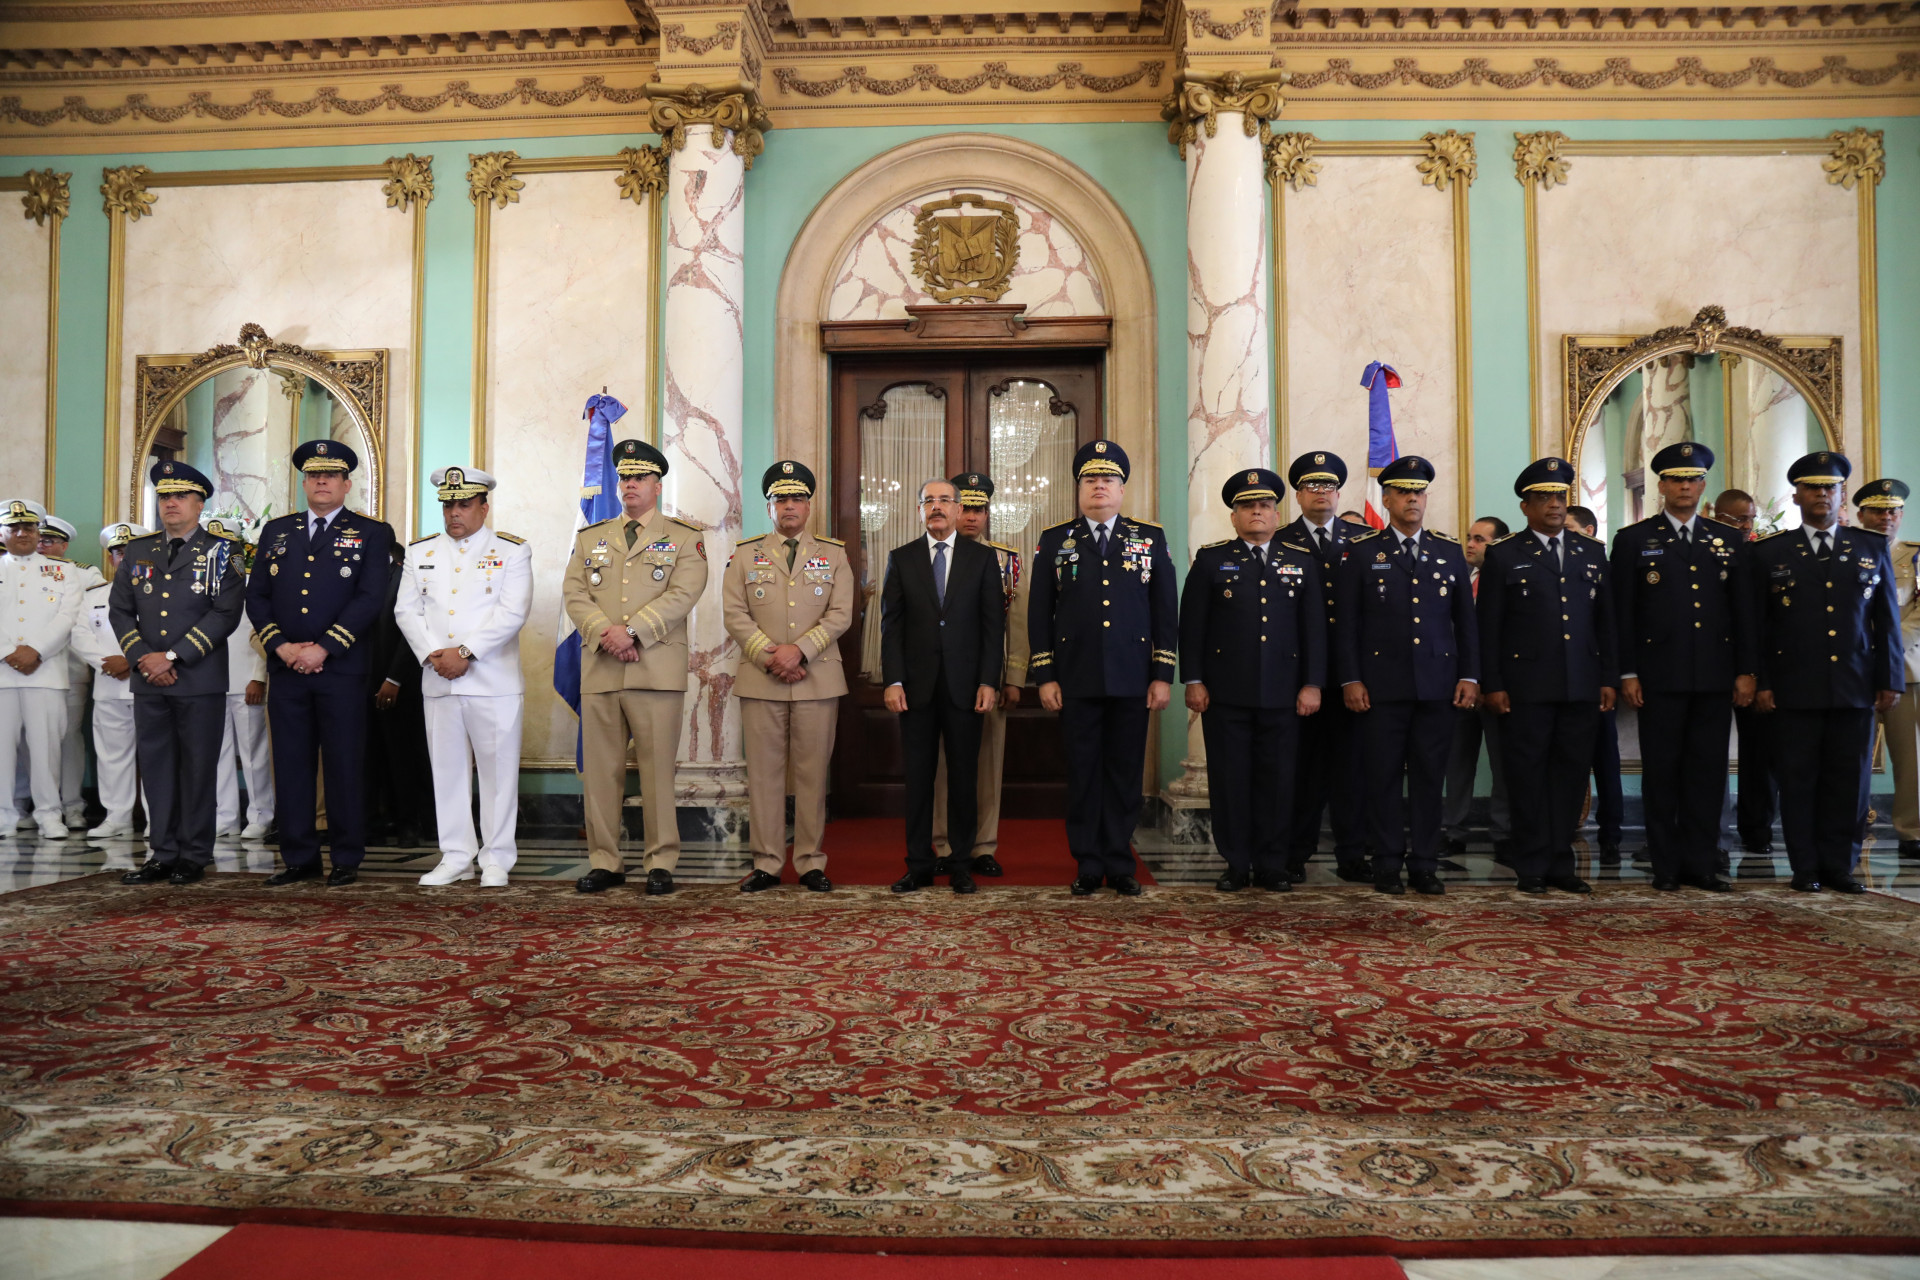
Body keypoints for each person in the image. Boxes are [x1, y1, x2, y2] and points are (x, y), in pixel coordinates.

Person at [245, 439, 397, 887]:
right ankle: (298, 858)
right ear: (304, 483)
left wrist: (324, 647)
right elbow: (257, 597)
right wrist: (281, 647)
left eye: (331, 475)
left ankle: (346, 857)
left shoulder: (371, 532)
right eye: (314, 475)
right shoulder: (277, 531)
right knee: (291, 764)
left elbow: (370, 598)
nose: (322, 482)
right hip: (287, 669)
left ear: (347, 484)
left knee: (344, 763)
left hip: (342, 669)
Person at [1028, 440, 1176, 897]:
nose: (1099, 486)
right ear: (1079, 488)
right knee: (1084, 773)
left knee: (1125, 773)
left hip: (1133, 677)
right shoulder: (1056, 540)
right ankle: (1088, 863)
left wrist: (1162, 674)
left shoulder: (1149, 537)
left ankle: (1119, 861)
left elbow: (1165, 610)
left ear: (1122, 489)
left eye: (1108, 479)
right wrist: (1045, 674)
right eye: (1090, 478)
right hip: (1076, 677)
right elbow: (1039, 612)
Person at [1750, 453, 1903, 893]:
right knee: (1798, 780)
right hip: (1794, 687)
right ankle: (1805, 867)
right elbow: (1759, 626)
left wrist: (1889, 678)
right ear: (1796, 496)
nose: (1822, 494)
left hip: (1855, 684)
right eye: (1813, 487)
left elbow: (1886, 621)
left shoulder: (1870, 547)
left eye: (1830, 488)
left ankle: (1840, 866)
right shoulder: (1770, 551)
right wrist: (1763, 682)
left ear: (1841, 495)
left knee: (1850, 781)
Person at [563, 438, 707, 895]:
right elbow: (574, 593)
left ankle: (660, 861)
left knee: (657, 773)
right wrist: (606, 633)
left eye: (640, 477)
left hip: (655, 671)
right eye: (625, 477)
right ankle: (605, 861)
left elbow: (683, 594)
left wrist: (632, 632)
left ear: (657, 485)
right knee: (600, 773)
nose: (630, 484)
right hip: (602, 668)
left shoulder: (684, 538)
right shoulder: (591, 537)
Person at [1609, 443, 1754, 893]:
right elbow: (1622, 614)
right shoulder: (1634, 540)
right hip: (1659, 677)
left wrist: (1746, 670)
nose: (1684, 486)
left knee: (1708, 774)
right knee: (1662, 773)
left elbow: (1744, 613)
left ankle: (1703, 863)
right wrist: (1627, 672)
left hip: (1714, 676)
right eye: (1676, 479)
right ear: (1662, 486)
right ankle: (1666, 865)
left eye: (1692, 479)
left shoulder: (1728, 539)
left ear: (1703, 485)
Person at [1334, 456, 1478, 895]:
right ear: (1387, 499)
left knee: (1430, 778)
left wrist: (1470, 676)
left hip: (1438, 686)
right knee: (1381, 778)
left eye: (1418, 492)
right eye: (1403, 492)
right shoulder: (1362, 552)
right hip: (1380, 688)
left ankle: (1425, 864)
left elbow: (1466, 622)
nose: (1412, 499)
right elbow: (1347, 624)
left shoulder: (1448, 551)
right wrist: (1350, 679)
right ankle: (1386, 862)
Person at [1179, 468, 1325, 892]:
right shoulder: (1211, 560)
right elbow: (1192, 627)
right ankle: (1237, 863)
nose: (1256, 512)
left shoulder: (1301, 560)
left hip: (1285, 693)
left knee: (1278, 782)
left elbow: (1314, 629)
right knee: (1230, 781)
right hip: (1226, 693)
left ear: (1277, 514)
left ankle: (1272, 864)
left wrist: (1313, 683)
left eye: (1264, 505)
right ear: (1234, 517)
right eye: (1247, 506)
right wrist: (1193, 680)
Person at [1479, 457, 1618, 895]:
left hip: (1580, 684)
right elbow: (1489, 627)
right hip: (1526, 688)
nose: (1555, 504)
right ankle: (1532, 865)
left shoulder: (1591, 552)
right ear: (1526, 507)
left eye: (1559, 496)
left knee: (1571, 776)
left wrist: (1608, 678)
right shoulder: (1504, 554)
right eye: (1544, 497)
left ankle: (1561, 862)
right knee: (1528, 777)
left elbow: (1606, 623)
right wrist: (1493, 683)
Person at [397, 466, 534, 889]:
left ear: (483, 507)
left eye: (464, 504)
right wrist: (433, 655)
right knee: (448, 774)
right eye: (448, 505)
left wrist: (465, 652)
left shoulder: (511, 550)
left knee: (498, 775)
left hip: (493, 682)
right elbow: (406, 611)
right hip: (439, 679)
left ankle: (496, 858)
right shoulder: (420, 552)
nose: (454, 512)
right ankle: (456, 855)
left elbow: (512, 612)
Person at [112, 461, 246, 885]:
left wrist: (171, 657)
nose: (171, 503)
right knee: (156, 768)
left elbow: (225, 613)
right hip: (149, 681)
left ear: (199, 503)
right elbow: (120, 611)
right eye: (165, 496)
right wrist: (143, 658)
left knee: (198, 768)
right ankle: (163, 853)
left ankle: (193, 854)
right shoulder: (138, 550)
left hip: (198, 678)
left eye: (181, 496)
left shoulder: (223, 552)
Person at [724, 461, 854, 893]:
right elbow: (734, 614)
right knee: (763, 776)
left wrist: (800, 651)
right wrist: (772, 655)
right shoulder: (745, 554)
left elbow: (841, 613)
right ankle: (767, 862)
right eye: (781, 499)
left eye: (797, 498)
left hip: (817, 679)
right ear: (770, 506)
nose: (789, 506)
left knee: (813, 775)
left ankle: (810, 861)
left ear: (809, 505)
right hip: (762, 679)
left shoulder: (834, 554)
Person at [881, 477, 1005, 895]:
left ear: (958, 509)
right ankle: (918, 864)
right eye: (929, 500)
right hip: (915, 689)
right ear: (919, 510)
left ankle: (960, 863)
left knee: (964, 779)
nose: (937, 506)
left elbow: (993, 626)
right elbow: (891, 627)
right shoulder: (901, 558)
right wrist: (893, 680)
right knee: (918, 780)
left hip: (966, 688)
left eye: (944, 500)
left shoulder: (982, 559)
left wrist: (989, 680)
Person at [933, 471, 1029, 878]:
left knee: (988, 764)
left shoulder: (1006, 561)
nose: (972, 517)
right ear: (954, 510)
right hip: (943, 678)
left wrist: (1014, 678)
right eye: (967, 508)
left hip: (990, 678)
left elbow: (1017, 625)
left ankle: (983, 846)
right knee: (943, 764)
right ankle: (943, 843)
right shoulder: (933, 554)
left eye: (980, 509)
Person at [1282, 452, 1372, 883]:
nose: (1322, 493)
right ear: (1299, 495)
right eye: (1312, 486)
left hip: (1354, 674)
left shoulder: (1364, 539)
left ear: (1339, 493)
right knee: (1304, 771)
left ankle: (1352, 855)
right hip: (1300, 677)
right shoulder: (1281, 540)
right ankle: (1295, 854)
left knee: (1353, 771)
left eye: (1329, 486)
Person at [0, 499, 84, 840]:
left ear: (38, 532)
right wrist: (8, 652)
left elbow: (68, 616)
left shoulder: (64, 571)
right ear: (2, 533)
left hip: (46, 672)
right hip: (2, 673)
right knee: (2, 750)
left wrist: (35, 650)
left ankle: (49, 814)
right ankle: (5, 815)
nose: (22, 533)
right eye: (14, 527)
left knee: (47, 748)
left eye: (29, 527)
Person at [70, 523, 150, 839]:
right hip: (108, 685)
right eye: (118, 552)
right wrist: (105, 662)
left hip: (150, 685)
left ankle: (158, 818)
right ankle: (117, 817)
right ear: (111, 558)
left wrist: (131, 661)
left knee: (156, 756)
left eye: (131, 551)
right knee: (111, 756)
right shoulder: (94, 596)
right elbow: (79, 634)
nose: (124, 557)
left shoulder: (161, 592)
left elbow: (167, 632)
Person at [1853, 479, 1918, 859]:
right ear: (1861, 515)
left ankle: (1913, 831)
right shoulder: (1846, 553)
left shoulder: (1915, 557)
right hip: (1854, 671)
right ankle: (1849, 826)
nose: (1886, 518)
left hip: (1906, 670)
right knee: (1849, 756)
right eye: (1877, 511)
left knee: (1912, 757)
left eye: (1893, 511)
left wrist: (1885, 652)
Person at [1443, 516, 1511, 865]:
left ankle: (1503, 834)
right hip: (1459, 686)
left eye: (1480, 539)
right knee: (1457, 762)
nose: (1470, 545)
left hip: (1498, 687)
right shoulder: (1459, 579)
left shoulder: (1509, 580)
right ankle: (1453, 831)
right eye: (1469, 537)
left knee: (1503, 765)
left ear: (1498, 544)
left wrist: (1490, 682)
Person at [1714, 487, 1776, 863]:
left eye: (1750, 518)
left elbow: (1766, 620)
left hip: (1753, 667)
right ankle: (1710, 831)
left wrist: (1755, 673)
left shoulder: (1761, 556)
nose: (1745, 526)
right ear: (1716, 516)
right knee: (1706, 755)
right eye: (1737, 519)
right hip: (1711, 666)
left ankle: (1757, 828)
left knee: (1760, 755)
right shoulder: (1705, 552)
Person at [204, 518, 273, 842]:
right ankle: (225, 816)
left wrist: (259, 678)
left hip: (247, 682)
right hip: (210, 682)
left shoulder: (252, 585)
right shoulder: (199, 585)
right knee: (217, 753)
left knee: (254, 754)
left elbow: (262, 633)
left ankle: (260, 815)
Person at [34, 515, 101, 829]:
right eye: (39, 540)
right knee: (27, 738)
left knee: (69, 737)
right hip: (30, 669)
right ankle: (25, 803)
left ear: (64, 545)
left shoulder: (85, 574)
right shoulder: (17, 571)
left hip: (70, 667)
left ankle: (73, 805)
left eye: (49, 540)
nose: (42, 546)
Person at [367, 539, 435, 848]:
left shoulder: (404, 578)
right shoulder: (361, 579)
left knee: (404, 757)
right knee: (373, 756)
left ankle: (412, 823)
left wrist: (394, 678)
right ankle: (378, 820)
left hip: (401, 683)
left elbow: (412, 635)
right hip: (363, 683)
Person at [1567, 504, 1624, 864]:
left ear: (1588, 532)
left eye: (1571, 527)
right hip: (1564, 679)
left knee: (1606, 760)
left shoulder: (1600, 564)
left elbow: (1610, 627)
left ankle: (1611, 834)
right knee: (1569, 762)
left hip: (1597, 679)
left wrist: (1610, 678)